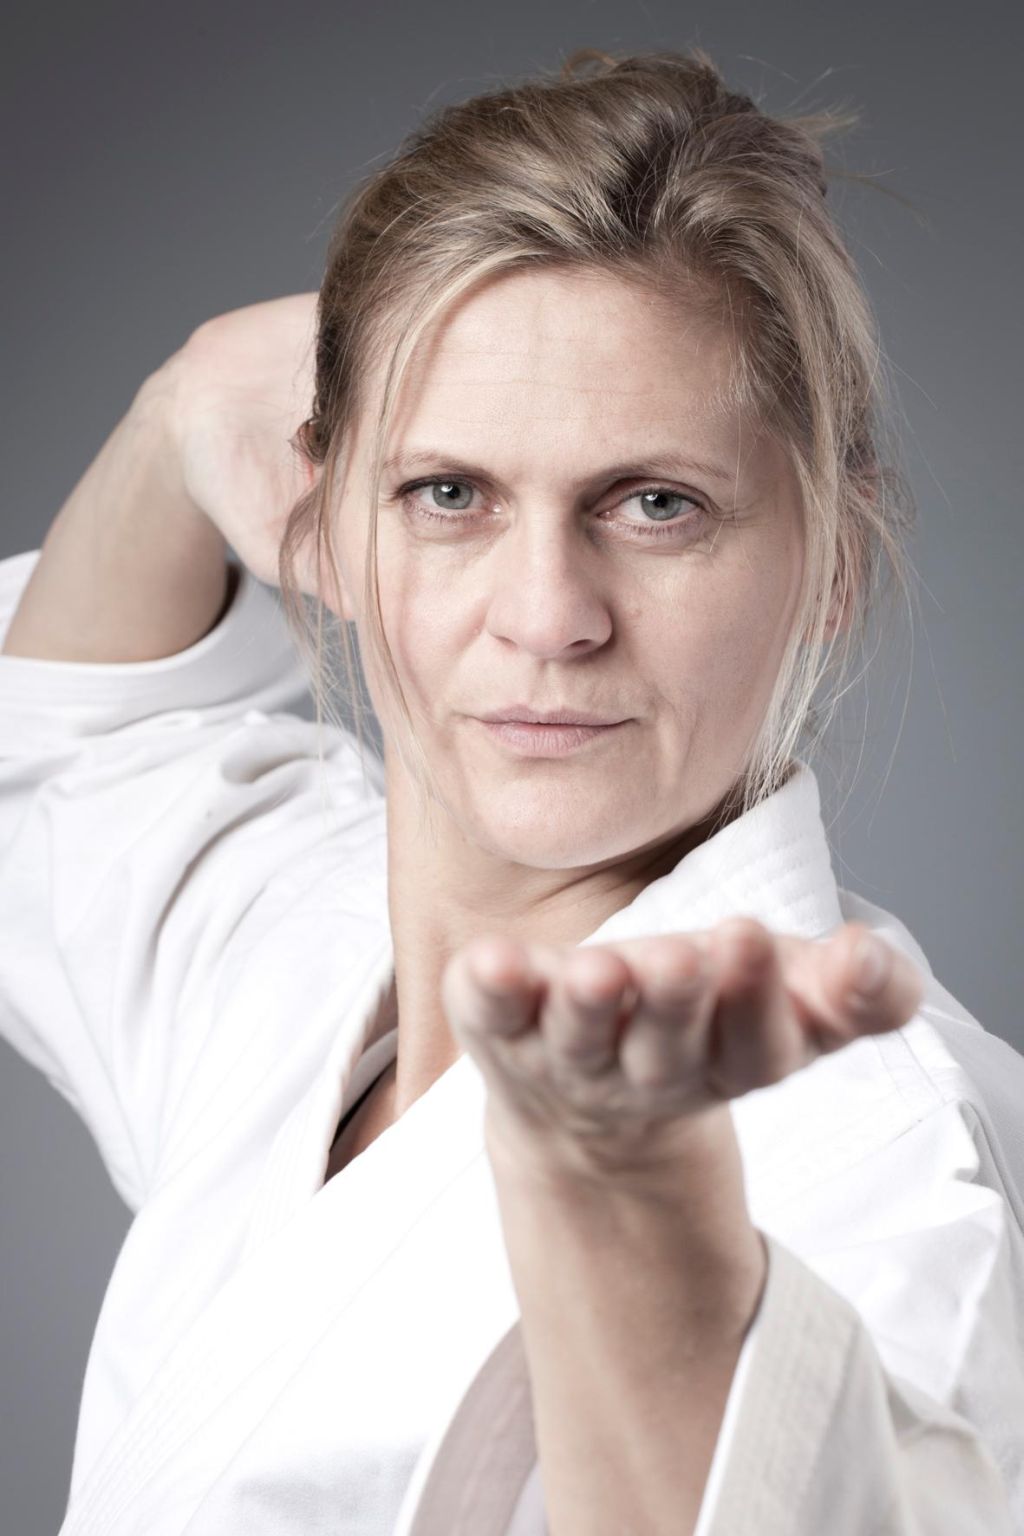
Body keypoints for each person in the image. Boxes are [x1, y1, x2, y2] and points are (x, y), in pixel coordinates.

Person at [1, 44, 1021, 1536]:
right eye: (450, 494)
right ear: (327, 528)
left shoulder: (888, 1157)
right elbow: (65, 736)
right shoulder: (289, 954)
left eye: (656, 504)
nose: (548, 617)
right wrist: (183, 405)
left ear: (831, 562)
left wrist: (641, 1242)